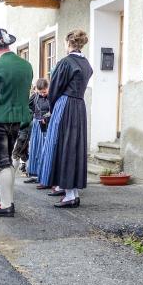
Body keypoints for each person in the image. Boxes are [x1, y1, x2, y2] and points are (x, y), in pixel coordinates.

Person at [0, 28, 33, 217]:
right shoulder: (26, 66)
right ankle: (8, 201)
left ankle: (5, 204)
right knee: (8, 160)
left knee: (1, 163)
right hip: (17, 120)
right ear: (8, 44)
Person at [46, 29, 93, 208]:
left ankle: (69, 194)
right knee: (75, 147)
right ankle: (72, 193)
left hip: (65, 105)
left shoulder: (66, 62)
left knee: (63, 146)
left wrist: (53, 108)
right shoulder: (86, 64)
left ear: (68, 43)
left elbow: (54, 90)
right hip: (79, 106)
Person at [24, 79, 50, 184]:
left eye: (44, 92)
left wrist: (46, 118)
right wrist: (33, 116)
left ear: (48, 88)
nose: (43, 94)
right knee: (34, 149)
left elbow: (53, 110)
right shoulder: (35, 97)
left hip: (47, 126)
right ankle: (34, 174)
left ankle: (44, 175)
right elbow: (27, 107)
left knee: (44, 150)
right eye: (41, 92)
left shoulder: (52, 97)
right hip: (36, 126)